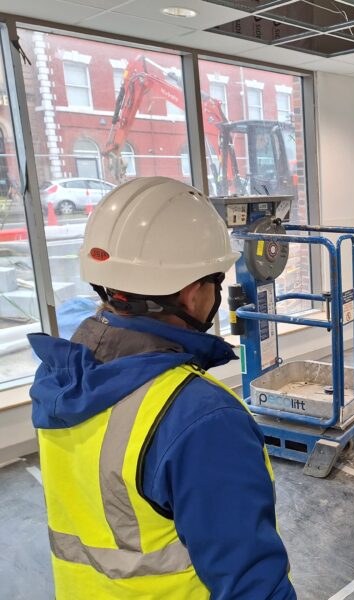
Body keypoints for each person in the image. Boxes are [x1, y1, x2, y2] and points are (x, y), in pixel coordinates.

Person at [28, 177, 296, 599]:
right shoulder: (202, 418)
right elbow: (250, 583)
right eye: (215, 281)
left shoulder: (59, 378)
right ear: (192, 295)